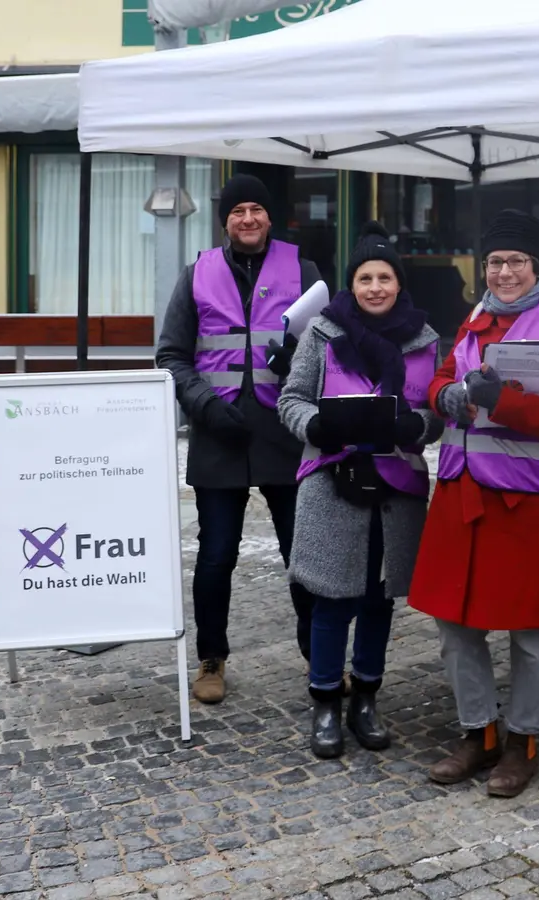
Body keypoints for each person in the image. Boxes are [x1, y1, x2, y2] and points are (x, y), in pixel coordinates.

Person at [409, 209, 539, 798]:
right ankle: (478, 731)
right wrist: (451, 396)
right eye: (495, 262)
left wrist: (506, 401)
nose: (505, 272)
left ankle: (524, 741)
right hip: (465, 492)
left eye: (516, 261)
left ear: (536, 265)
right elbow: (438, 380)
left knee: (530, 628)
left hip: (529, 501)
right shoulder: (475, 316)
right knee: (455, 620)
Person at [157, 173, 325, 704]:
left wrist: (297, 356)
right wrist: (205, 405)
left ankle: (317, 654)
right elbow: (172, 356)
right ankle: (212, 656)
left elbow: (332, 346)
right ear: (224, 220)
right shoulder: (196, 274)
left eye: (256, 209)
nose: (247, 219)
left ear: (269, 217)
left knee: (303, 554)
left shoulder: (304, 270)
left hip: (285, 433)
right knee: (215, 556)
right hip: (219, 434)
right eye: (237, 212)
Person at [277, 222, 443, 759]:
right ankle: (326, 699)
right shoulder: (323, 334)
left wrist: (416, 427)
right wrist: (316, 427)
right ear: (352, 284)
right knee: (332, 598)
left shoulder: (426, 340)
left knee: (378, 599)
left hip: (396, 485)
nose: (375, 287)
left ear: (399, 283)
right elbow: (291, 399)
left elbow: (435, 411)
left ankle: (366, 698)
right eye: (365, 277)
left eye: (385, 277)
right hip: (332, 480)